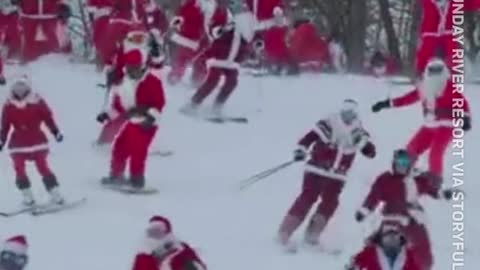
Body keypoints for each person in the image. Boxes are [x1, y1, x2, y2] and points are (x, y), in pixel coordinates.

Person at [277, 99, 376, 251]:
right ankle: (285, 232)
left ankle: (312, 235)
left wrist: (363, 144)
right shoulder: (329, 123)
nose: (347, 117)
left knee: (330, 202)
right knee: (308, 197)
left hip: (337, 176)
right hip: (317, 170)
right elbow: (308, 138)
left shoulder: (358, 131)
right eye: (345, 113)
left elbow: (370, 153)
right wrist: (301, 150)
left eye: (351, 114)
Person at [371, 56, 471, 182]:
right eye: (432, 70)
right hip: (429, 125)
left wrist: (465, 117)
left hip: (447, 125)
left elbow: (462, 103)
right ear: (427, 71)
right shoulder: (424, 87)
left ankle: (434, 181)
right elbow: (407, 99)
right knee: (412, 148)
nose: (435, 74)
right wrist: (386, 104)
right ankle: (403, 172)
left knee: (436, 151)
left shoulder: (449, 87)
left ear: (444, 71)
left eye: (437, 70)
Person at [355, 149, 454, 270]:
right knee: (381, 244)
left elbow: (430, 189)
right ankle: (362, 263)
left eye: (405, 163)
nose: (402, 166)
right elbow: (373, 196)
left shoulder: (414, 180)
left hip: (412, 220)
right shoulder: (386, 179)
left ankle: (421, 266)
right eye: (399, 163)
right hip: (392, 218)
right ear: (394, 163)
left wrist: (443, 194)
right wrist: (364, 210)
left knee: (421, 248)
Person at [98, 48, 165, 189]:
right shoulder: (124, 82)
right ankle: (117, 175)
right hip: (132, 122)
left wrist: (150, 117)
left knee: (138, 152)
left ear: (141, 66)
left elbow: (159, 103)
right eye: (128, 67)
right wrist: (107, 114)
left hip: (146, 123)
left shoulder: (151, 81)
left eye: (133, 68)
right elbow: (119, 106)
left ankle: (137, 180)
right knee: (120, 147)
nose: (130, 71)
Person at [181, 3, 258, 117]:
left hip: (234, 58)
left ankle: (217, 106)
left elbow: (253, 34)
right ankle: (193, 104)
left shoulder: (247, 18)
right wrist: (220, 30)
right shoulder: (223, 13)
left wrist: (257, 44)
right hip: (219, 55)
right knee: (213, 80)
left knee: (232, 82)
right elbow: (212, 29)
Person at [0, 74, 64, 206]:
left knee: (42, 167)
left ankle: (55, 193)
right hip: (18, 144)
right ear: (12, 89)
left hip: (37, 142)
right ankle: (27, 196)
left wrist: (55, 132)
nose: (20, 91)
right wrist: (2, 140)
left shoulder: (37, 101)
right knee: (19, 168)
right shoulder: (8, 105)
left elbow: (48, 118)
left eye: (23, 87)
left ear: (28, 88)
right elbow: (5, 126)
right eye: (17, 88)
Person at [132, 216, 207, 270]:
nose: (154, 234)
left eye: (158, 230)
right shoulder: (143, 256)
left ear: (167, 233)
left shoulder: (181, 248)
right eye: (151, 231)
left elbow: (199, 265)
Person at [167, 0, 210, 85]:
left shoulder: (187, 6)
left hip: (186, 38)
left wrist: (174, 26)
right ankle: (197, 79)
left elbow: (177, 20)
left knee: (182, 59)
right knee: (198, 60)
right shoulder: (203, 7)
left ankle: (175, 75)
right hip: (195, 40)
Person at [345, 221, 420, 270]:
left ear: (400, 237)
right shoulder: (371, 252)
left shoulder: (408, 255)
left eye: (395, 235)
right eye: (387, 235)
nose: (391, 238)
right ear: (380, 237)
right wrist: (354, 266)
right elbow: (358, 262)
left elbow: (415, 267)